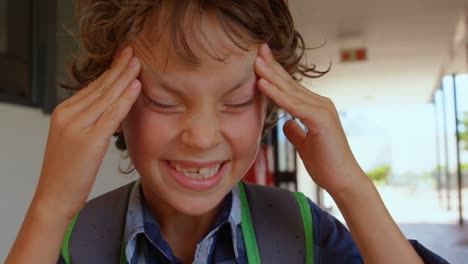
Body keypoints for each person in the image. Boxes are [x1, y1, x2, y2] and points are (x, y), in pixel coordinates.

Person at [6, 0, 448, 263]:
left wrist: (351, 186)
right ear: (113, 102)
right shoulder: (71, 243)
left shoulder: (303, 231)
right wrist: (52, 206)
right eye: (164, 101)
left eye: (236, 101)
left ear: (270, 102)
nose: (201, 136)